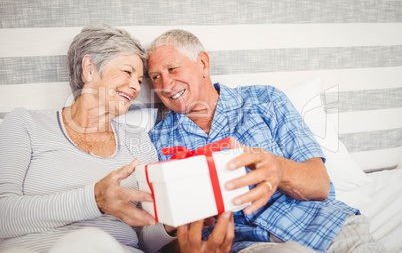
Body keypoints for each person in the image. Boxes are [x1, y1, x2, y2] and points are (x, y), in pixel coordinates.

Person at [147, 29, 386, 252]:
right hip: (245, 244)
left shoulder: (266, 99)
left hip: (326, 225)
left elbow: (320, 185)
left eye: (173, 69)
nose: (165, 85)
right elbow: (158, 236)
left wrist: (278, 169)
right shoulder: (157, 140)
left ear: (203, 64)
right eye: (155, 77)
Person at [0, 24, 180, 253]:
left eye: (140, 79)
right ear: (89, 69)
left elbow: (145, 240)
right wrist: (95, 200)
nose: (135, 86)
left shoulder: (139, 141)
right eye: (127, 72)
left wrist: (171, 222)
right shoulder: (25, 124)